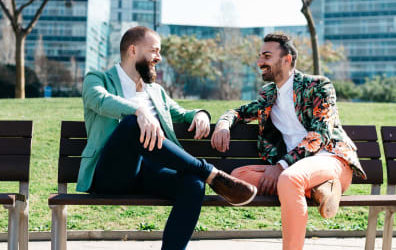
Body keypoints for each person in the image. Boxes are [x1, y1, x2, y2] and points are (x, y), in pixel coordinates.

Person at [76, 26, 256, 250]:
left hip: (150, 173)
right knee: (132, 125)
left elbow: (181, 113)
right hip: (112, 174)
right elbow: (100, 101)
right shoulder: (97, 79)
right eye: (154, 51)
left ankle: (203, 178)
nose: (159, 58)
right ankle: (211, 173)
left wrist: (201, 114)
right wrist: (139, 112)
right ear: (133, 50)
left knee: (194, 184)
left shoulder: (156, 91)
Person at [211, 33, 366, 250]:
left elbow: (320, 134)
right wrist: (223, 124)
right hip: (297, 169)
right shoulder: (269, 95)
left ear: (287, 59)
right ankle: (320, 190)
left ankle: (319, 187)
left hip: (332, 160)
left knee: (289, 179)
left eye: (267, 56)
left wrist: (281, 166)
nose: (260, 62)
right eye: (259, 56)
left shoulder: (318, 86)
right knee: (239, 177)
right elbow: (240, 112)